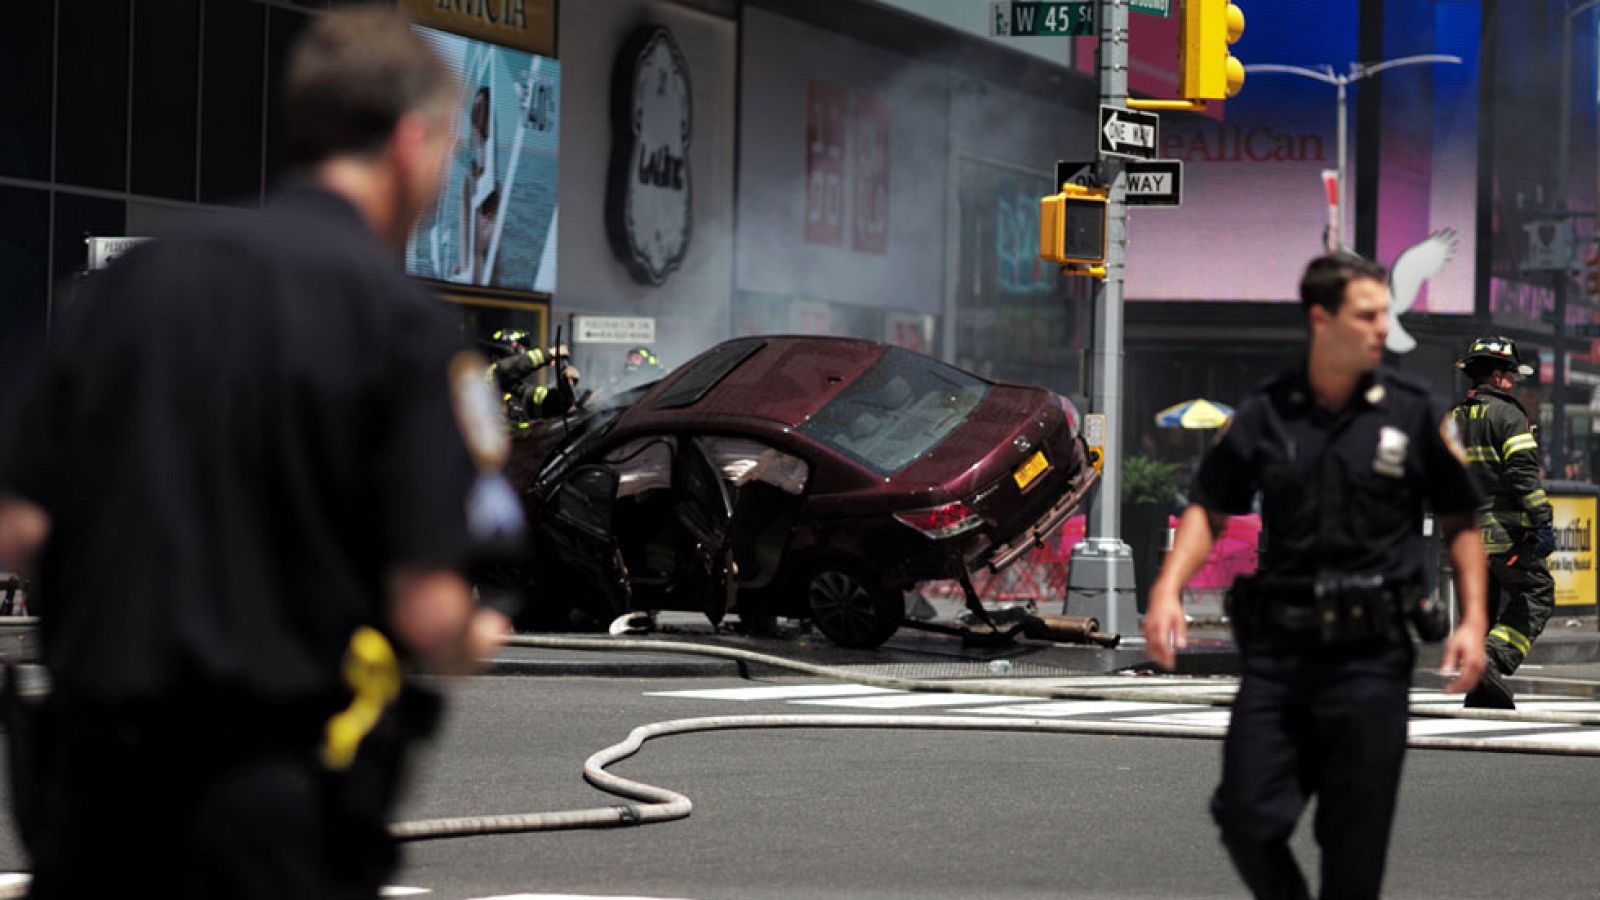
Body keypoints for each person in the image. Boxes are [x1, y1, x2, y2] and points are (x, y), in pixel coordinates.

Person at [0, 8, 509, 898]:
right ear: (411, 141)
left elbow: (16, 525)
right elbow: (430, 609)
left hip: (90, 796)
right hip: (271, 811)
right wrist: (476, 632)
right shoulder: (403, 330)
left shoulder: (125, 289)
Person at [1142, 251, 1488, 900]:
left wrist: (1472, 619)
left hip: (1370, 661)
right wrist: (1167, 590)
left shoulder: (1411, 411)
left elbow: (1460, 519)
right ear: (1320, 319)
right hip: (1280, 657)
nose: (1383, 327)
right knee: (1245, 816)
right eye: (1367, 315)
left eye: (1385, 312)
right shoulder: (1267, 411)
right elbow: (1211, 507)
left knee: (1352, 857)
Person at [1449, 335, 1556, 709]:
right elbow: (1523, 475)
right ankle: (1492, 661)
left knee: (1482, 606)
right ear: (1496, 375)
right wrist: (1541, 521)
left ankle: (1482, 685)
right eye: (1511, 374)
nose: (1514, 382)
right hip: (1504, 534)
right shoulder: (1509, 414)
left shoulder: (1453, 418)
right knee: (1537, 592)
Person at [484, 329, 581, 428]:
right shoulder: (486, 378)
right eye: (521, 353)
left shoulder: (515, 391)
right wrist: (549, 353)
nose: (524, 354)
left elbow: (543, 402)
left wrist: (565, 387)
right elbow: (508, 368)